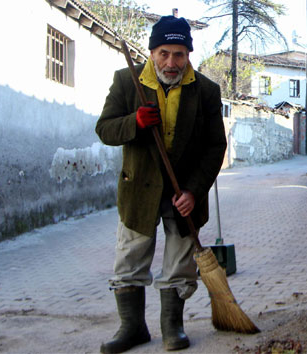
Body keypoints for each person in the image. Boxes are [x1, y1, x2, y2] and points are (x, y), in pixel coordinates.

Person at [95, 15, 227, 353]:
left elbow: (216, 146)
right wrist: (134, 122)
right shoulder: (127, 82)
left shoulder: (207, 91)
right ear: (152, 52)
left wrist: (194, 191)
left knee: (180, 263)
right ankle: (132, 327)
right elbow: (105, 129)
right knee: (130, 258)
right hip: (139, 190)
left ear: (188, 55)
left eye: (179, 54)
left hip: (184, 192)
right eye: (164, 53)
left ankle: (172, 327)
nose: (171, 62)